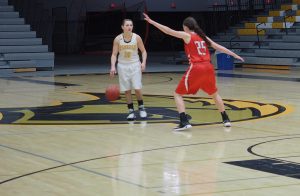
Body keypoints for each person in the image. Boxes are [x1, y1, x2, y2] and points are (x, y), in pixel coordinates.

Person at [143, 14, 244, 131]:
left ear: (186, 27)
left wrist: (151, 22)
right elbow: (219, 47)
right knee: (214, 94)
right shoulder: (203, 36)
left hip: (197, 67)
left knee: (177, 94)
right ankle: (226, 119)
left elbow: (168, 31)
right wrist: (235, 55)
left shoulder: (187, 35)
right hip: (208, 67)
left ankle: (184, 121)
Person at [110, 19, 147, 120]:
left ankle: (142, 108)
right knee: (127, 90)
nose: (129, 27)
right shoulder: (118, 39)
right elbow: (114, 54)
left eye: (131, 25)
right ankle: (131, 111)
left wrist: (143, 62)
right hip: (122, 66)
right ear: (122, 27)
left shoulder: (137, 38)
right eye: (127, 25)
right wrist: (113, 66)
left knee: (137, 88)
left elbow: (143, 51)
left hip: (135, 65)